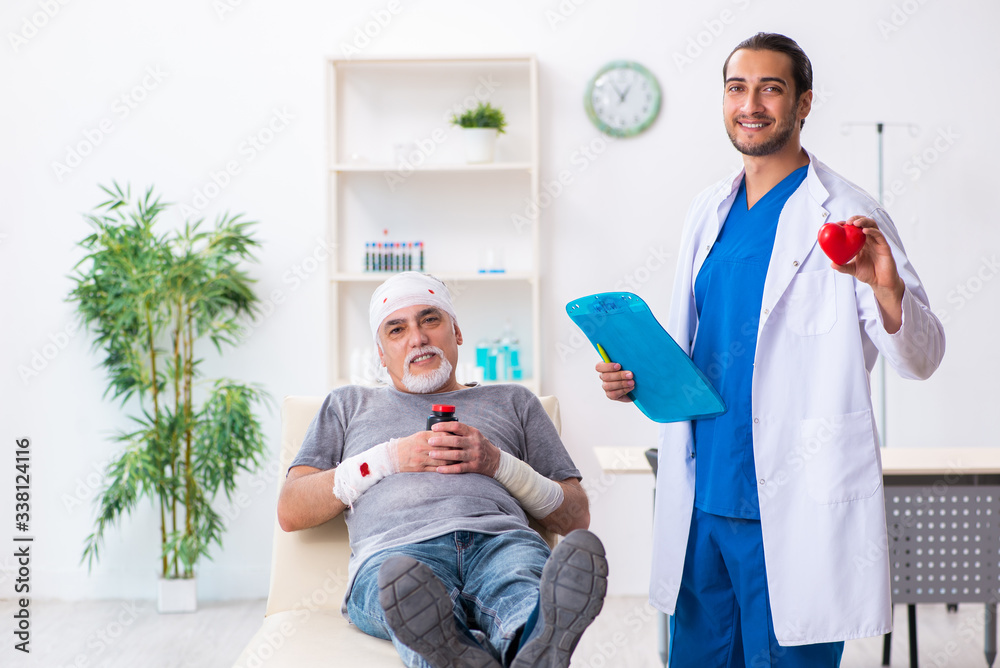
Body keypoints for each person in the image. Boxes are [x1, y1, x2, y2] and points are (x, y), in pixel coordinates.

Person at [596, 33, 945, 667]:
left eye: (771, 88)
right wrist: (637, 376)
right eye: (737, 88)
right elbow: (697, 346)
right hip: (704, 496)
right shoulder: (710, 210)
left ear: (804, 103)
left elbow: (921, 357)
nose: (750, 103)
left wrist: (886, 289)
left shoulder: (848, 213)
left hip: (791, 499)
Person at [277, 271, 608, 668]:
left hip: (501, 541)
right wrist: (389, 459)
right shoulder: (348, 405)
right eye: (396, 329)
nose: (417, 338)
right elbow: (291, 509)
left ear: (457, 332)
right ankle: (487, 648)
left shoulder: (514, 401)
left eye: (430, 319)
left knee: (520, 588)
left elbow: (576, 517)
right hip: (396, 554)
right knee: (411, 601)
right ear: (381, 354)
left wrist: (497, 463)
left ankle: (526, 644)